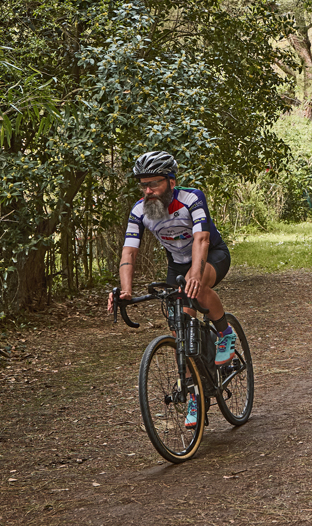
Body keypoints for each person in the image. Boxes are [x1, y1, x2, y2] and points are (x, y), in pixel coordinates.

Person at [107, 150, 234, 428]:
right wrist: (125, 290)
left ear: (171, 182)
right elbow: (129, 251)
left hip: (211, 255)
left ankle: (225, 332)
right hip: (176, 264)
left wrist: (196, 274)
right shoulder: (139, 211)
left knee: (196, 288)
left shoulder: (192, 198)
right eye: (144, 185)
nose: (148, 191)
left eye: (155, 184)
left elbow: (201, 239)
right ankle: (195, 394)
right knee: (181, 331)